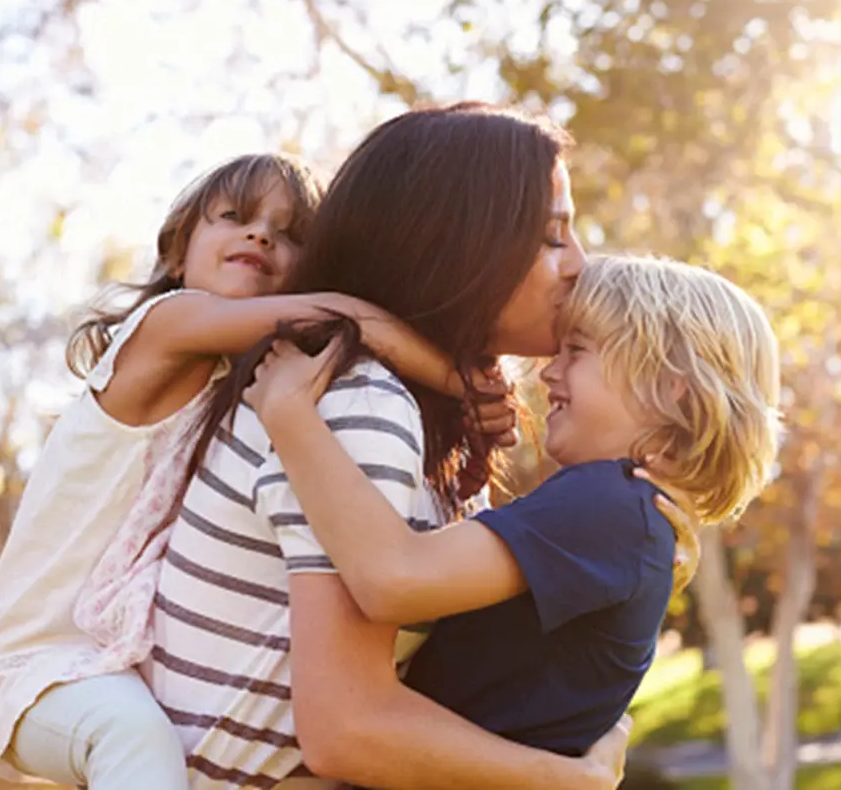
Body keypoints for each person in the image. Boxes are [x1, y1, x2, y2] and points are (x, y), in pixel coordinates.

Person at [0, 153, 502, 790]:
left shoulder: (247, 389)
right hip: (41, 664)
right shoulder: (163, 326)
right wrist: (463, 385)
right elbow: (341, 319)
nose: (261, 236)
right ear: (175, 253)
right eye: (235, 218)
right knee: (133, 738)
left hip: (116, 661)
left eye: (290, 233)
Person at [149, 103, 640, 789]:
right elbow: (348, 731)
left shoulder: (392, 405)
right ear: (461, 243)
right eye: (552, 236)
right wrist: (571, 781)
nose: (578, 265)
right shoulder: (359, 402)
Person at [245, 253, 783, 761]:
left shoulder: (609, 502)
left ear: (672, 391)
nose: (548, 373)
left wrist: (288, 413)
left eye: (578, 350)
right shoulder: (629, 515)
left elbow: (394, 576)